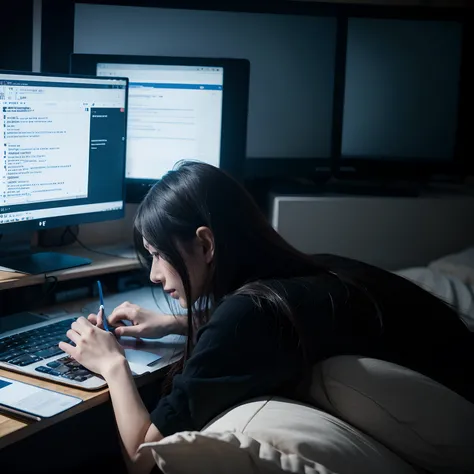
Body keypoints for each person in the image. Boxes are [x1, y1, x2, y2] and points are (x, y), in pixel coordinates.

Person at [59, 161, 473, 474]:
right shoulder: (314, 271)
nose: (153, 273)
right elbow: (274, 325)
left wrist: (113, 365)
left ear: (205, 244)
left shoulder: (248, 317)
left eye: (158, 254)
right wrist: (178, 322)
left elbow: (141, 457)